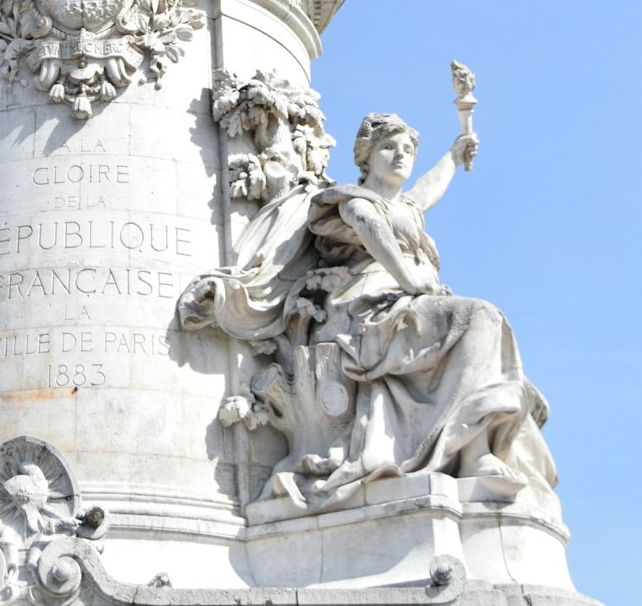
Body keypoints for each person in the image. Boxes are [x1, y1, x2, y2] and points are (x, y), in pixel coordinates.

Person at [180, 113, 556, 513]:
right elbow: (371, 230)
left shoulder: (406, 209)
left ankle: (475, 450)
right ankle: (472, 450)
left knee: (486, 321)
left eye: (408, 150)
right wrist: (410, 277)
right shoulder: (352, 201)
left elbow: (428, 189)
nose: (401, 156)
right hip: (365, 309)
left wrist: (453, 153)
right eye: (389, 148)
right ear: (366, 156)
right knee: (480, 317)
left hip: (407, 303)